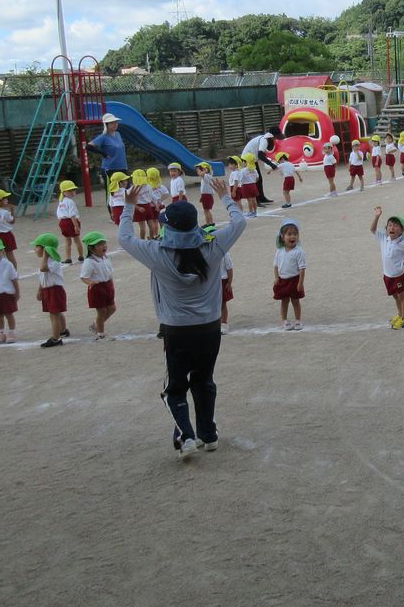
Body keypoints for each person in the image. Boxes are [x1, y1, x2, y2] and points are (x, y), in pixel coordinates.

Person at [119, 174, 246, 461]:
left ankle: (187, 436)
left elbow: (124, 238)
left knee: (175, 388)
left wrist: (128, 206)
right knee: (204, 380)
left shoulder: (156, 253)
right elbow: (239, 222)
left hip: (176, 330)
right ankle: (208, 434)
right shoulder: (212, 246)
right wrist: (226, 196)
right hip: (210, 326)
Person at [372, 206, 404, 329]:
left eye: (396, 226)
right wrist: (377, 216)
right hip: (387, 275)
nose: (392, 227)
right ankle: (399, 314)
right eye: (390, 225)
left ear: (401, 231)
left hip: (398, 275)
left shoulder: (403, 243)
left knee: (402, 298)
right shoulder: (384, 239)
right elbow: (372, 230)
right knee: (395, 296)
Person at [32, 232, 68, 348]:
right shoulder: (46, 261)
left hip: (55, 290)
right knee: (56, 313)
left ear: (45, 249)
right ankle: (63, 330)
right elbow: (43, 277)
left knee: (54, 314)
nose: (35, 249)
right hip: (48, 290)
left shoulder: (53, 261)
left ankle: (56, 338)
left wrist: (46, 255)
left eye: (37, 247)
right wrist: (40, 290)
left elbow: (43, 269)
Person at [88, 113, 127, 210]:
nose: (115, 124)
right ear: (106, 125)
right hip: (110, 168)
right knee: (112, 191)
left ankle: (124, 209)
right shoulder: (103, 137)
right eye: (112, 123)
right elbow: (88, 146)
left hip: (122, 166)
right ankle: (112, 212)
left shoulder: (118, 134)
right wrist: (103, 153)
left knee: (125, 189)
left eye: (116, 122)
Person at [80, 231, 115, 340]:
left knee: (112, 308)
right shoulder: (89, 262)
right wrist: (90, 282)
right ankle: (100, 333)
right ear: (91, 249)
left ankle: (96, 325)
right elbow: (84, 276)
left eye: (104, 243)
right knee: (102, 311)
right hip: (97, 288)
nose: (104, 246)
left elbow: (109, 273)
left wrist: (111, 285)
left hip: (108, 286)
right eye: (99, 245)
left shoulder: (105, 258)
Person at [273, 218, 307, 330]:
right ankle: (284, 320)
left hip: (294, 280)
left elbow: (302, 268)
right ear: (282, 237)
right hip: (283, 280)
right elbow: (276, 265)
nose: (293, 237)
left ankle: (298, 320)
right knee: (284, 301)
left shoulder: (299, 252)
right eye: (289, 234)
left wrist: (300, 283)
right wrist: (276, 277)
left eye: (295, 234)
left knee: (295, 301)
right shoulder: (279, 251)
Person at [241, 130, 277, 204]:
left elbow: (261, 153)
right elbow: (260, 155)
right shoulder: (265, 141)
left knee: (259, 179)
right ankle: (257, 200)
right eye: (274, 138)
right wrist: (271, 164)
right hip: (247, 159)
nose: (275, 140)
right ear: (271, 138)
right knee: (254, 179)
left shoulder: (263, 138)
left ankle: (261, 198)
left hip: (252, 159)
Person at [55, 180, 84, 263]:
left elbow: (59, 213)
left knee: (67, 240)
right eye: (69, 191)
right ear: (63, 192)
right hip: (71, 222)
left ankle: (68, 258)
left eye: (73, 190)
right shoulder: (70, 202)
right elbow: (72, 215)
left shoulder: (61, 201)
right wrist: (76, 226)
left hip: (63, 222)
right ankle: (81, 256)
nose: (72, 192)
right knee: (77, 240)